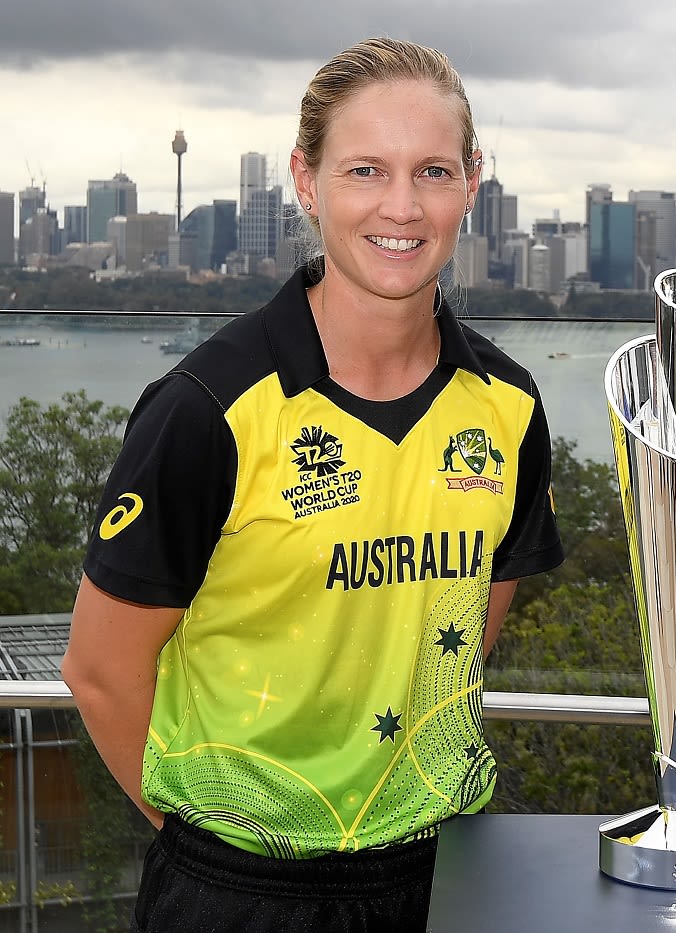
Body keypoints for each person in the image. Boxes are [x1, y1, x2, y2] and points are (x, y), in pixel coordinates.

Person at [61, 37, 563, 933]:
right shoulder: (208, 409)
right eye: (365, 169)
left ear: (471, 184)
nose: (401, 206)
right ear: (307, 179)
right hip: (234, 890)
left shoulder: (508, 408)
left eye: (434, 171)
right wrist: (218, 850)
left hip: (439, 869)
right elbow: (100, 670)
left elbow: (458, 647)